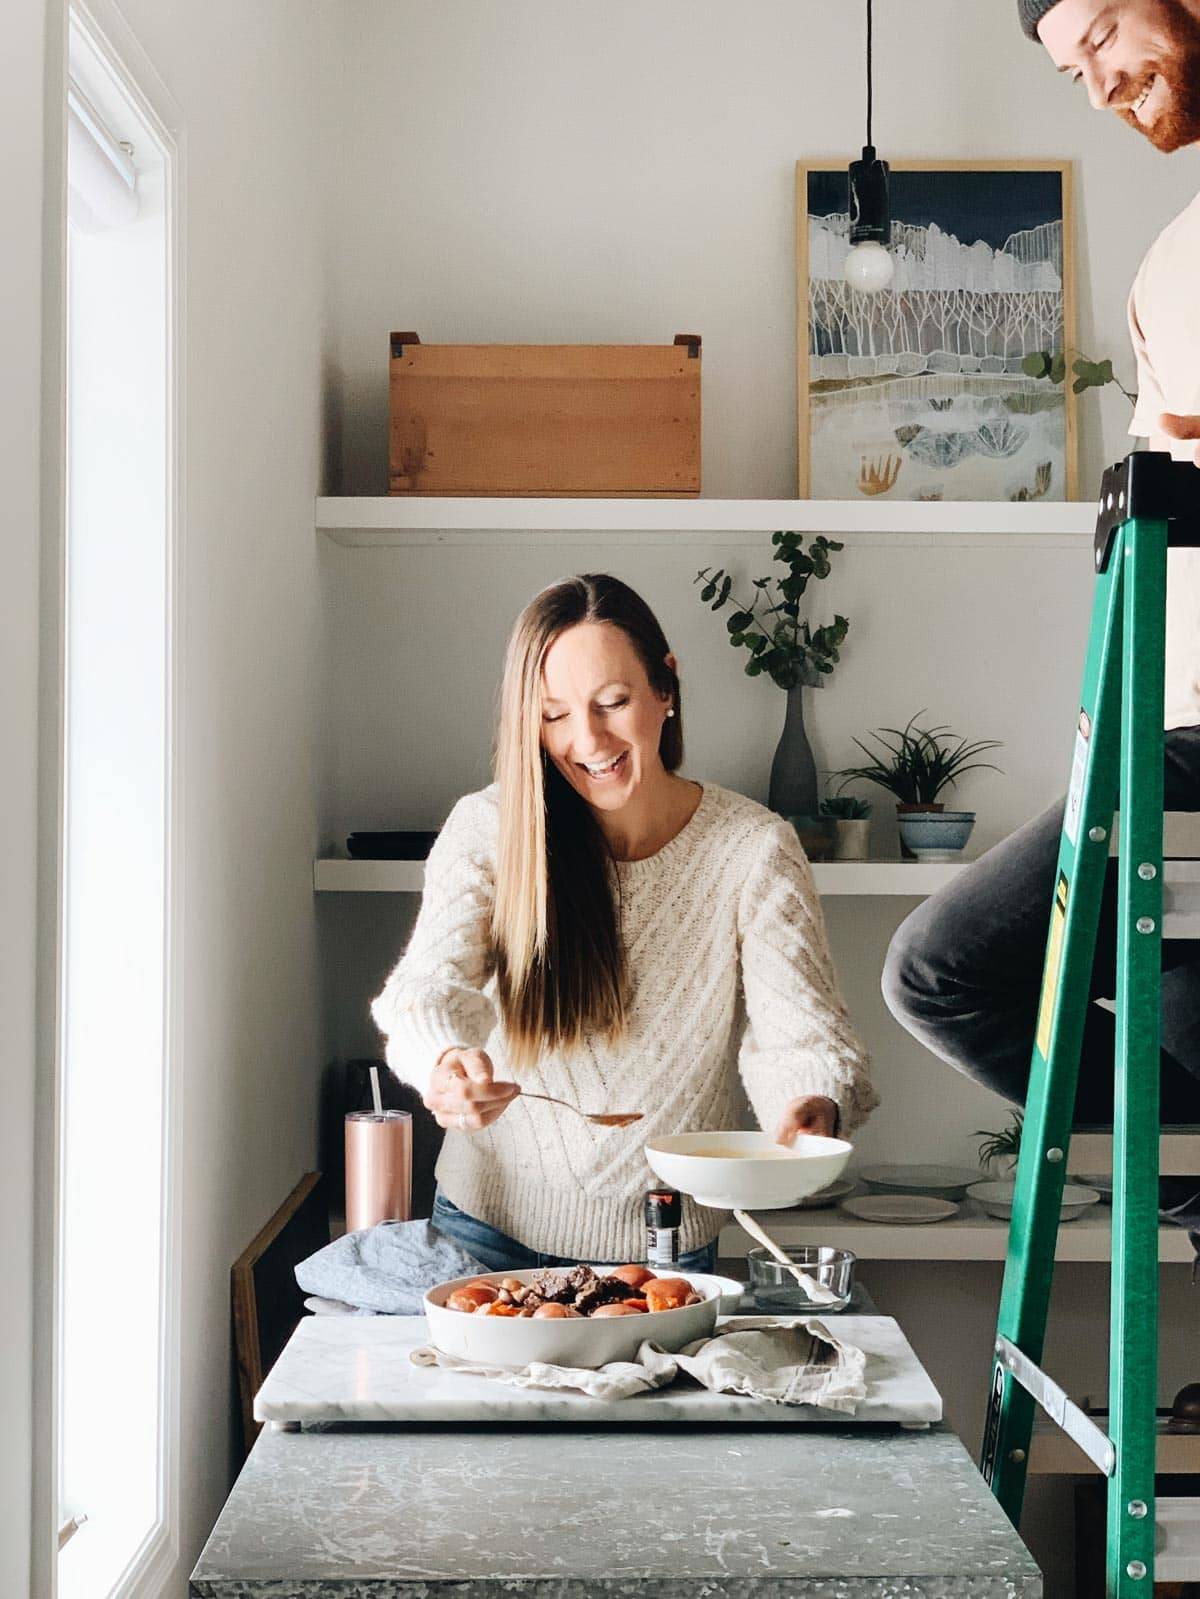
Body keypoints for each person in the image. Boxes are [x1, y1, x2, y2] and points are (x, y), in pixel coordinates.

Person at [883, 0, 1200, 1166]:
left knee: (940, 968)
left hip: (1189, 753)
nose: (1105, 83)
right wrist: (1112, 689)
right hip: (1163, 728)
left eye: (1108, 33)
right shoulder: (1172, 258)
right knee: (948, 978)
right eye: (1077, 71)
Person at [371, 574, 876, 1273]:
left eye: (612, 702)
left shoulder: (753, 848)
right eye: (553, 714)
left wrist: (808, 1102)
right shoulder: (490, 828)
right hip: (485, 1235)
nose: (587, 740)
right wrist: (445, 1063)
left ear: (666, 688)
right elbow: (424, 991)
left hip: (665, 1244)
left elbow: (800, 1035)